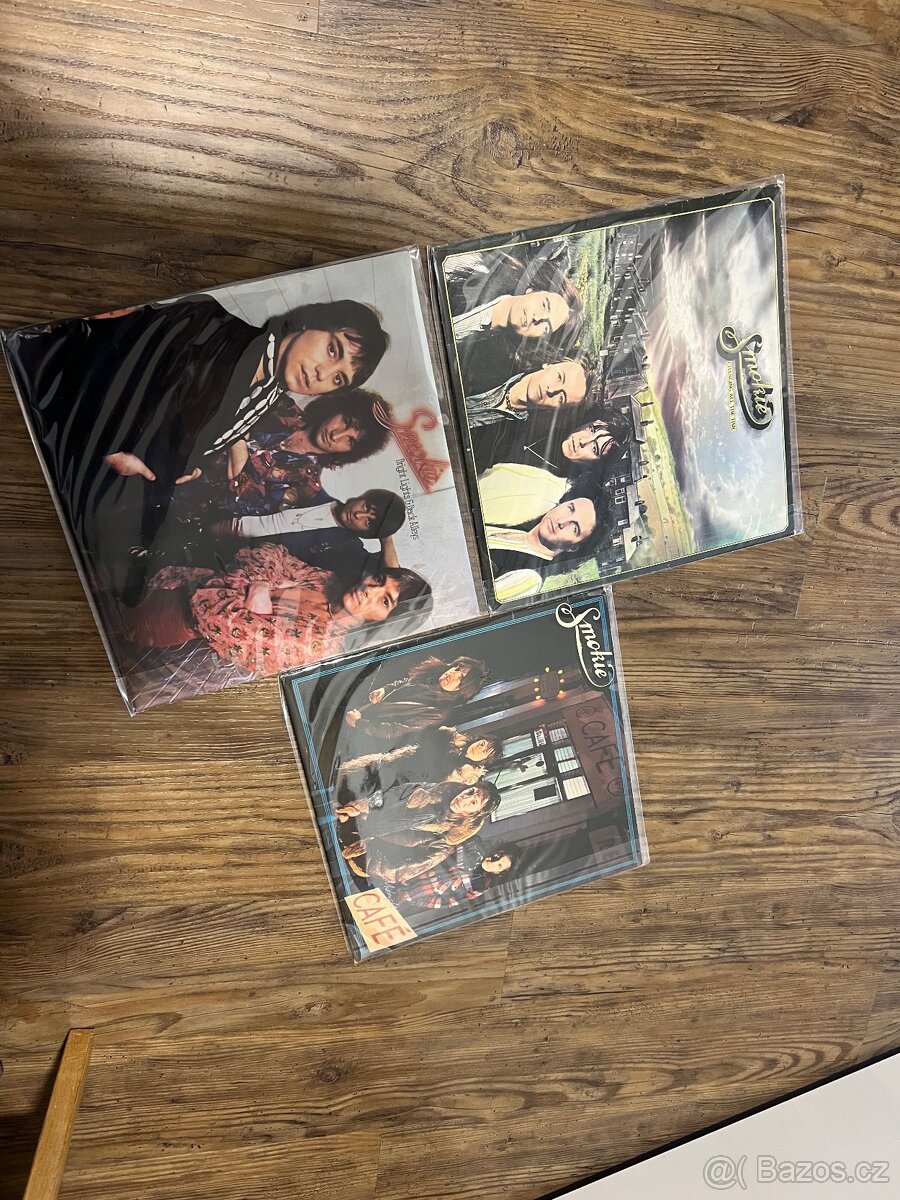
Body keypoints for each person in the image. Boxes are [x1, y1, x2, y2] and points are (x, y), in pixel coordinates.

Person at [3, 294, 390, 554]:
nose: (322, 373)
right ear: (312, 322)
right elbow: (105, 376)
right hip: (43, 432)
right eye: (333, 349)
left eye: (338, 378)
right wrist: (112, 452)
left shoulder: (271, 394)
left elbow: (202, 428)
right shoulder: (210, 323)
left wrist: (198, 463)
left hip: (139, 492)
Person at [117, 543, 432, 676]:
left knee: (103, 618)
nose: (370, 591)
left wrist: (257, 582)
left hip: (168, 619)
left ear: (384, 622)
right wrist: (258, 585)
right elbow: (269, 552)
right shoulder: (327, 581)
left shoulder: (318, 646)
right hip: (173, 573)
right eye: (379, 580)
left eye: (385, 601)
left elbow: (218, 619)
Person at [444, 247, 584, 395]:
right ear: (532, 290)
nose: (537, 318)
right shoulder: (481, 268)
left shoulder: (493, 369)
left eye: (545, 328)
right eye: (544, 305)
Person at [221, 488, 406, 588]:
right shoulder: (314, 491)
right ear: (363, 497)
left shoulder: (345, 547)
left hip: (236, 561)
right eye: (366, 507)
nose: (358, 515)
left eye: (368, 522)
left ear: (370, 533)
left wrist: (386, 536)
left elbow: (392, 578)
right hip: (226, 512)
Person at [337, 781, 502, 885]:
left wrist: (365, 850)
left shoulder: (444, 844)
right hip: (356, 823)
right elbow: (391, 795)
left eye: (473, 802)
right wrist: (361, 807)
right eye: (471, 791)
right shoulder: (432, 791)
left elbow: (399, 871)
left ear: (473, 814)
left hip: (363, 856)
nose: (464, 798)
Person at [486, 477, 611, 577]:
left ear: (573, 547)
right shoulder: (517, 523)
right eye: (570, 509)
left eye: (574, 528)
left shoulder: (529, 576)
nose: (562, 521)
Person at [344, 655, 488, 739]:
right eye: (456, 668)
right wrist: (383, 690)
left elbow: (394, 730)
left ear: (463, 689)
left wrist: (359, 723)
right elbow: (403, 683)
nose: (452, 673)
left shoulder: (437, 712)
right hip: (360, 710)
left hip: (359, 731)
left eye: (460, 678)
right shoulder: (431, 676)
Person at [463, 357, 598, 428]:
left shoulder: (512, 444)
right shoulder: (492, 355)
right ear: (549, 364)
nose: (551, 390)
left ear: (557, 410)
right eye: (559, 377)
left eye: (561, 398)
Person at [393, 840, 518, 910]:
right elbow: (440, 849)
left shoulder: (480, 885)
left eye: (499, 865)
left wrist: (414, 900)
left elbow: (450, 901)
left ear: (499, 872)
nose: (494, 861)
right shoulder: (473, 846)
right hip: (402, 870)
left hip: (407, 895)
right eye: (498, 856)